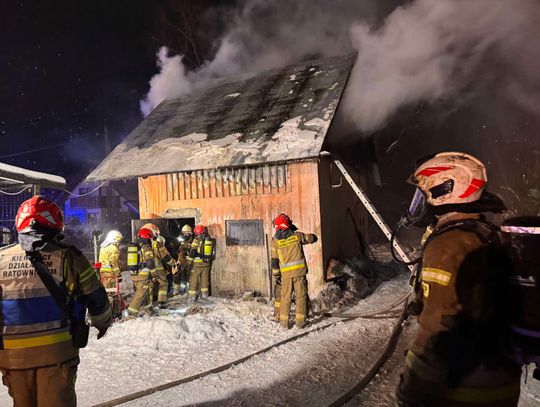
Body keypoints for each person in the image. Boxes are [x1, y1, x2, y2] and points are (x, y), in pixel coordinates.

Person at [396, 152, 522, 406]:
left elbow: (437, 328)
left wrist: (412, 388)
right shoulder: (489, 234)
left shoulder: (448, 245)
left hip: (464, 389)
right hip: (501, 381)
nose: (420, 203)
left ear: (446, 190)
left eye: (425, 193)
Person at [0, 196, 112, 406]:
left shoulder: (1, 259)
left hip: (12, 358)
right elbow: (97, 300)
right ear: (56, 224)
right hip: (57, 355)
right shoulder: (71, 257)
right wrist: (103, 322)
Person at [270, 213, 317, 329]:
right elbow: (312, 238)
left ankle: (284, 323)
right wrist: (313, 236)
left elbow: (274, 262)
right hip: (299, 273)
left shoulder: (275, 241)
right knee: (301, 297)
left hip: (286, 275)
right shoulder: (297, 236)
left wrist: (276, 276)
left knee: (285, 298)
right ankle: (300, 323)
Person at [126, 227, 158, 316]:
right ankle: (131, 313)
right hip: (143, 275)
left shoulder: (137, 247)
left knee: (145, 292)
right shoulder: (146, 247)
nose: (151, 239)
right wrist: (154, 274)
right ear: (148, 236)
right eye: (150, 237)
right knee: (140, 294)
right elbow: (149, 262)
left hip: (135, 274)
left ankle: (149, 309)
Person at [186, 224, 214, 302]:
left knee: (193, 279)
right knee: (205, 279)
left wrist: (189, 262)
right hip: (207, 263)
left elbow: (193, 251)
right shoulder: (208, 239)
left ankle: (192, 297)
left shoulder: (196, 240)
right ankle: (205, 295)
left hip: (197, 264)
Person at [173, 224, 194, 295]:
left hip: (189, 261)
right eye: (184, 233)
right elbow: (177, 249)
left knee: (189, 275)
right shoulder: (180, 240)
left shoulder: (193, 241)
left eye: (187, 233)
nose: (185, 235)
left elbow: (193, 250)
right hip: (181, 260)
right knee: (177, 274)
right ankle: (176, 289)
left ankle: (188, 289)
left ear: (190, 233)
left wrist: (187, 247)